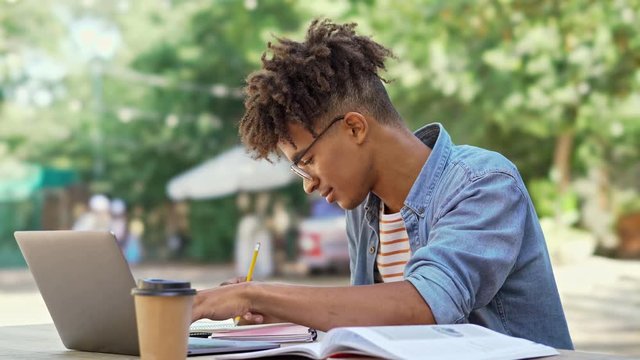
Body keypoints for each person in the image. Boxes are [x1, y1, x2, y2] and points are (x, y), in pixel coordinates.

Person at [192, 19, 573, 349]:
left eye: (306, 161)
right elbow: (374, 324)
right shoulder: (364, 211)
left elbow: (423, 307)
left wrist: (254, 293)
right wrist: (271, 310)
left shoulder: (484, 182)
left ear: (355, 127)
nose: (308, 185)